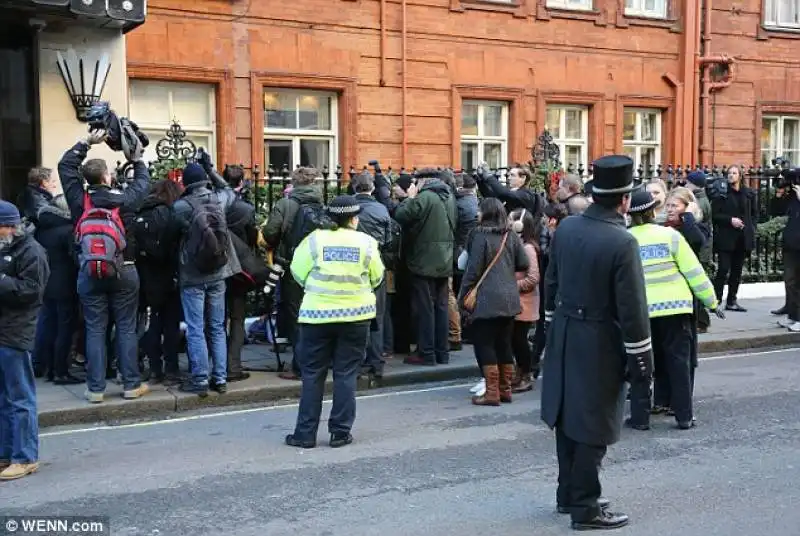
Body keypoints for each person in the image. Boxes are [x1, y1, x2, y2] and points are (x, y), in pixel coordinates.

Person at [541, 155, 652, 531]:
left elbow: (550, 283)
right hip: (600, 339)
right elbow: (633, 308)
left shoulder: (567, 228)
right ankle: (586, 506)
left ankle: (567, 493)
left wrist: (550, 328)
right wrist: (641, 358)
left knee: (567, 416)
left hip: (565, 332)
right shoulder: (622, 241)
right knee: (594, 423)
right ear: (624, 200)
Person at [57, 128, 151, 403]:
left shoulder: (79, 200)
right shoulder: (125, 200)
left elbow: (65, 165)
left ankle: (95, 388)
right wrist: (137, 158)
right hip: (125, 269)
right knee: (125, 326)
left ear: (87, 179)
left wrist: (85, 143)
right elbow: (143, 182)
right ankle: (131, 384)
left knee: (95, 328)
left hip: (89, 270)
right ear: (108, 177)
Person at [285, 195, 384, 448]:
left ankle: (305, 434)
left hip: (316, 316)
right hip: (356, 316)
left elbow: (297, 271)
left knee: (312, 375)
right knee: (346, 373)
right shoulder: (367, 243)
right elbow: (377, 277)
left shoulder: (314, 240)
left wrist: (315, 289)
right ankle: (340, 432)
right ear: (353, 218)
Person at [627, 189, 722, 431]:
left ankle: (640, 418)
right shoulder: (670, 236)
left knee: (642, 364)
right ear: (652, 210)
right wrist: (712, 302)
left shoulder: (625, 240)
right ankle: (684, 416)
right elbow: (694, 272)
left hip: (642, 312)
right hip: (676, 308)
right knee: (679, 363)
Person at [171, 163, 241, 397]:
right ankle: (219, 378)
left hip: (193, 274)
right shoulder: (219, 200)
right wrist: (212, 170)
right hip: (219, 272)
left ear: (186, 183)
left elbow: (174, 233)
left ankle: (200, 379)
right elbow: (231, 191)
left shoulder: (181, 206)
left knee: (195, 328)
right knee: (217, 327)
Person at [457, 198, 529, 405]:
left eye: (479, 211)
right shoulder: (511, 235)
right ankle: (505, 390)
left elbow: (472, 270)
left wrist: (463, 297)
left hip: (486, 299)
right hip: (508, 298)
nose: (477, 214)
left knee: (484, 343)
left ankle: (491, 393)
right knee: (504, 343)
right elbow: (523, 262)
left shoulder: (478, 235)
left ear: (486, 213)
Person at [261, 167, 327, 381]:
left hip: (293, 266)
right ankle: (320, 361)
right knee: (318, 313)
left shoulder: (286, 204)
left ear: (294, 183)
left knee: (297, 315)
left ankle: (299, 366)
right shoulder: (321, 205)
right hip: (319, 266)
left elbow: (271, 232)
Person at [0, 200, 50, 480]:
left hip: (17, 331)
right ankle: (6, 454)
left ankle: (25, 456)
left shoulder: (31, 251)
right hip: (4, 330)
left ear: (8, 226)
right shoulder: (8, 248)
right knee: (4, 398)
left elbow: (32, 292)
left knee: (20, 398)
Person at [394, 169, 456, 367]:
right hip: (444, 260)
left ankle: (426, 352)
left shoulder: (425, 197)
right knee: (441, 306)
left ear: (422, 181)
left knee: (425, 309)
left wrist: (409, 198)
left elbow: (401, 215)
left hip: (423, 261)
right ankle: (442, 351)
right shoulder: (449, 197)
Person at [134, 179, 183, 384]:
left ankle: (154, 368)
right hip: (168, 276)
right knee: (170, 325)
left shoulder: (139, 214)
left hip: (145, 276)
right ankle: (171, 368)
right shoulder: (171, 214)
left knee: (152, 323)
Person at [352, 171, 393, 378]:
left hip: (352, 267)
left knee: (356, 315)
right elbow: (387, 240)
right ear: (373, 188)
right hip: (376, 264)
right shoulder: (381, 208)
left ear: (353, 187)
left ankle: (358, 362)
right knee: (377, 315)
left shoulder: (349, 208)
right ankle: (376, 362)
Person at [711, 165, 757, 312]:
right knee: (723, 270)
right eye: (729, 173)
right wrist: (730, 220)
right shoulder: (722, 194)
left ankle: (731, 301)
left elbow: (754, 214)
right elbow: (715, 216)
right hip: (726, 237)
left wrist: (751, 228)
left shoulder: (749, 194)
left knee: (737, 272)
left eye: (734, 173)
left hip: (742, 238)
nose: (731, 175)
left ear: (740, 176)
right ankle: (716, 301)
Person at [508, 207, 540, 393]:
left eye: (511, 220)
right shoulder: (518, 244)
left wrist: (512, 285)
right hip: (517, 301)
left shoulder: (527, 248)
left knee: (519, 341)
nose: (509, 224)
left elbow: (533, 277)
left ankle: (525, 375)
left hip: (524, 302)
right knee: (515, 340)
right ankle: (520, 373)